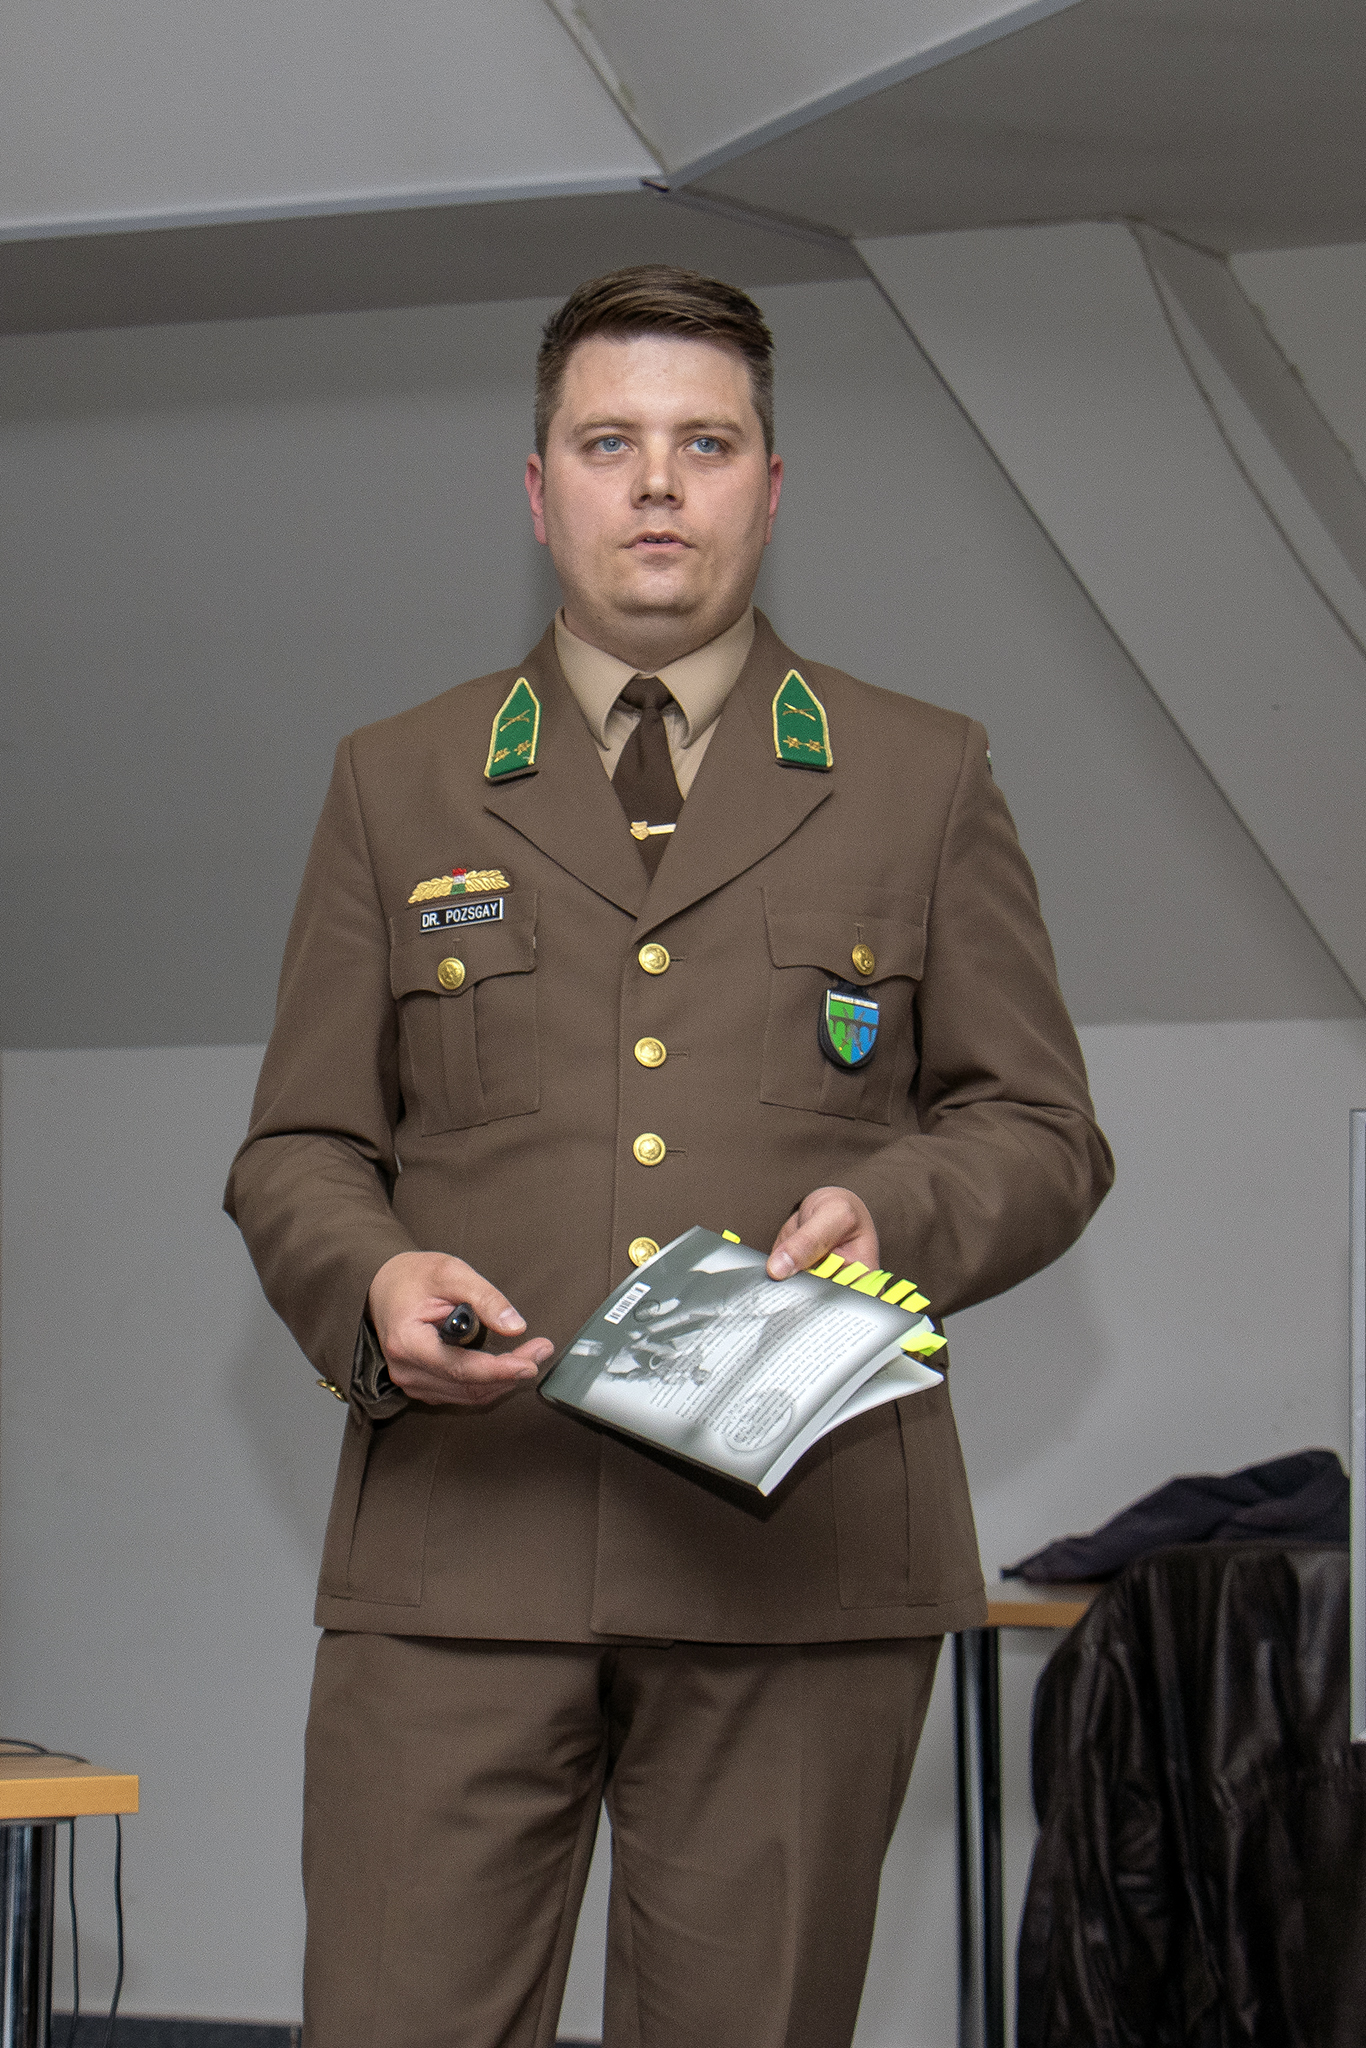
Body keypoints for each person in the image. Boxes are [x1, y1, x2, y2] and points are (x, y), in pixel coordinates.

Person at [225, 264, 1113, 2048]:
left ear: (767, 490)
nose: (653, 485)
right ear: (535, 486)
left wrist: (892, 1211)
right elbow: (301, 1145)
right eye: (607, 442)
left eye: (702, 445)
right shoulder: (398, 780)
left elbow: (1038, 1128)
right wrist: (373, 1277)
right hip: (463, 1555)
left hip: (799, 1566)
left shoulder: (920, 773)